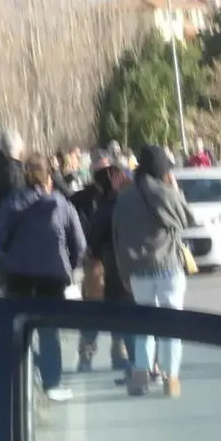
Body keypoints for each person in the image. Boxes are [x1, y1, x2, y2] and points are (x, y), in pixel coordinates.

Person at [0, 155, 87, 402]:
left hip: (18, 276)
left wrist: (6, 264)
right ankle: (51, 383)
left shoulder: (12, 203)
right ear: (49, 178)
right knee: (49, 333)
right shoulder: (62, 205)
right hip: (52, 277)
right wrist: (70, 267)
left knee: (20, 331)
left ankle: (20, 381)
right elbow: (79, 244)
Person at [113, 145, 193, 397]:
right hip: (168, 267)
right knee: (171, 325)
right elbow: (188, 218)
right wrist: (175, 188)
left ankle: (140, 374)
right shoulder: (166, 193)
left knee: (144, 325)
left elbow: (118, 238)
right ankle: (171, 379)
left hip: (137, 270)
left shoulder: (125, 197)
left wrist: (124, 272)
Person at [72, 152, 132, 374]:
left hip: (101, 262)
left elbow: (92, 237)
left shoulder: (106, 203)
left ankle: (100, 356)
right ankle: (107, 356)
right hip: (111, 266)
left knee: (98, 314)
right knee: (111, 314)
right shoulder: (124, 203)